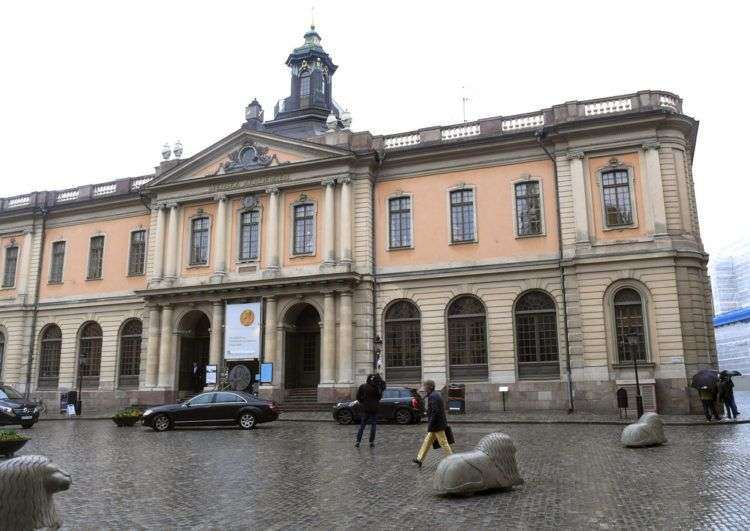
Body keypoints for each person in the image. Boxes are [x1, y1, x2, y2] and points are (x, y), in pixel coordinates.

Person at [412, 380, 453, 467]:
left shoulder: (433, 396)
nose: (424, 388)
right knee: (427, 441)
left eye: (425, 386)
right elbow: (433, 410)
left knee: (443, 443)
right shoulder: (434, 395)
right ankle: (419, 459)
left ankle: (452, 460)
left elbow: (435, 411)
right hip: (436, 424)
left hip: (437, 425)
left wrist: (430, 424)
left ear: (430, 387)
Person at [355, 374, 382, 448]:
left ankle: (358, 441)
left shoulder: (363, 386)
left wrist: (363, 402)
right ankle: (371, 442)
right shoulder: (376, 387)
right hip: (374, 409)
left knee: (362, 426)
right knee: (373, 426)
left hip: (365, 409)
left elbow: (358, 397)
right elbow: (379, 397)